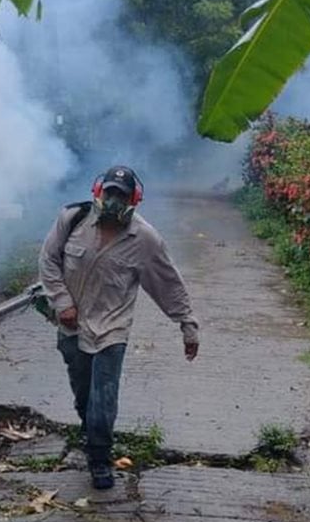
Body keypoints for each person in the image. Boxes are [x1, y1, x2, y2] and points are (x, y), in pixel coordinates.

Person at [38, 165, 199, 490]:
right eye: (109, 193)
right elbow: (48, 261)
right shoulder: (71, 220)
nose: (113, 201)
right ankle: (90, 431)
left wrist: (187, 324)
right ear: (99, 192)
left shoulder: (145, 240)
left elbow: (168, 283)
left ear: (133, 199)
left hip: (112, 329)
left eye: (120, 196)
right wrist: (62, 302)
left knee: (104, 396)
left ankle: (100, 459)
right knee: (83, 394)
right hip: (71, 325)